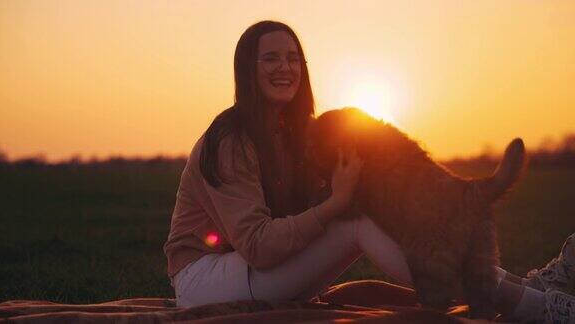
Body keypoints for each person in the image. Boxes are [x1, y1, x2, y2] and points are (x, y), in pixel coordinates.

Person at [163, 20, 575, 323]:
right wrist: (337, 203)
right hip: (204, 280)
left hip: (260, 274)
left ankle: (521, 289)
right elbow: (258, 246)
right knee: (354, 218)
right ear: (246, 69)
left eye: (292, 58)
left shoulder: (293, 135)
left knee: (373, 209)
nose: (284, 67)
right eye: (269, 58)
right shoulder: (231, 140)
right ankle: (534, 305)